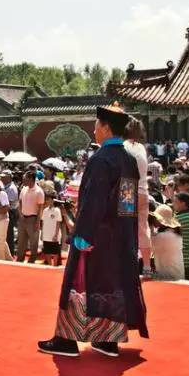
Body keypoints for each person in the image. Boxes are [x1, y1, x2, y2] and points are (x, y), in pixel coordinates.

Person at [38, 103, 148, 358]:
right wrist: (124, 233)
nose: (94, 128)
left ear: (107, 128)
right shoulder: (128, 159)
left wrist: (83, 234)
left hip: (95, 235)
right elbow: (127, 203)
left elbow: (92, 201)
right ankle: (107, 339)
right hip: (119, 235)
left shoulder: (100, 159)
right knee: (112, 283)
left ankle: (66, 338)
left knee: (79, 281)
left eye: (97, 124)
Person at [124, 118, 153, 275]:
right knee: (143, 228)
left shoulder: (123, 146)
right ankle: (147, 266)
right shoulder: (141, 147)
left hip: (127, 189)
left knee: (126, 228)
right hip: (143, 190)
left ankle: (129, 264)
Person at [149, 205, 184, 279]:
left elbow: (146, 246)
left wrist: (150, 227)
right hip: (176, 275)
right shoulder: (174, 234)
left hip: (169, 277)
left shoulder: (164, 236)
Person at [17, 171, 45, 263]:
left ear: (31, 179)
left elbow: (40, 207)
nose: (23, 180)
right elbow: (20, 202)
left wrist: (38, 222)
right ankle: (20, 259)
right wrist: (20, 214)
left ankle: (32, 259)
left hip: (33, 219)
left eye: (25, 179)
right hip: (23, 218)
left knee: (33, 241)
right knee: (21, 240)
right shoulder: (23, 189)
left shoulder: (39, 191)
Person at [40, 193, 64, 266]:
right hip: (46, 234)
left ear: (53, 200)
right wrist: (42, 233)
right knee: (47, 251)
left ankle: (55, 265)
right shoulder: (45, 210)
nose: (48, 201)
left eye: (49, 199)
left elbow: (58, 223)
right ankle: (50, 265)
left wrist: (56, 234)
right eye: (47, 199)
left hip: (54, 234)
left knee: (55, 251)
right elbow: (43, 222)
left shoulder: (57, 210)